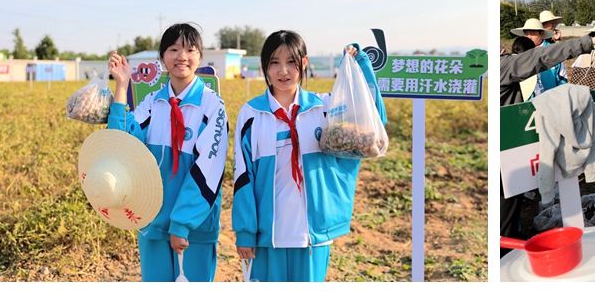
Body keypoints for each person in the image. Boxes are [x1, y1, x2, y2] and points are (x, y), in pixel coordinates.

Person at [233, 30, 385, 281]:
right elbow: (243, 175)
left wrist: (361, 68)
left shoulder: (324, 108)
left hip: (313, 233)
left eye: (291, 62)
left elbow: (371, 121)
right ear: (264, 67)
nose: (283, 71)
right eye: (274, 63)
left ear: (304, 63)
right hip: (268, 234)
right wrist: (246, 231)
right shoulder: (250, 114)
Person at [105, 24, 228, 281]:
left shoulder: (212, 106)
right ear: (162, 58)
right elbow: (122, 142)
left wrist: (182, 223)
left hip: (195, 226)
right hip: (153, 220)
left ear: (200, 57)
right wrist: (121, 86)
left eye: (189, 49)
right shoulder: (152, 102)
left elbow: (209, 170)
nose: (181, 56)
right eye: (173, 49)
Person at [499, 31, 595, 242]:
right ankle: (506, 248)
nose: (502, 47)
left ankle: (510, 237)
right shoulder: (501, 67)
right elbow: (541, 57)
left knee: (508, 198)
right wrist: (586, 41)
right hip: (504, 147)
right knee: (506, 200)